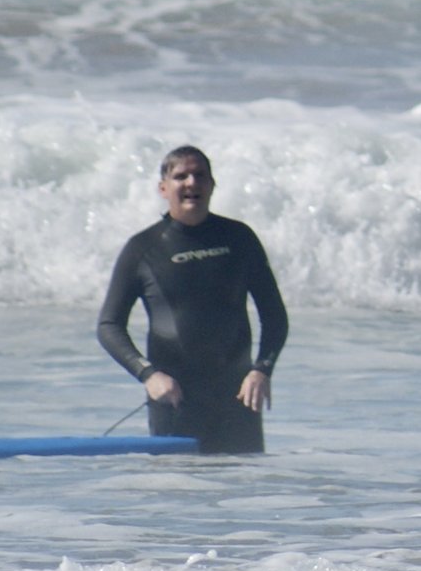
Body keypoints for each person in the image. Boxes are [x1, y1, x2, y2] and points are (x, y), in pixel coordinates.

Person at [97, 144, 289, 455]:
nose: (191, 183)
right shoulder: (142, 248)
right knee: (178, 497)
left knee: (248, 496)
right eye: (181, 176)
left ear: (212, 185)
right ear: (163, 188)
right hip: (175, 399)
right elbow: (108, 326)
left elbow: (275, 315)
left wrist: (261, 370)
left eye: (200, 175)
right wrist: (149, 375)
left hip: (238, 398)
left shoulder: (239, 238)